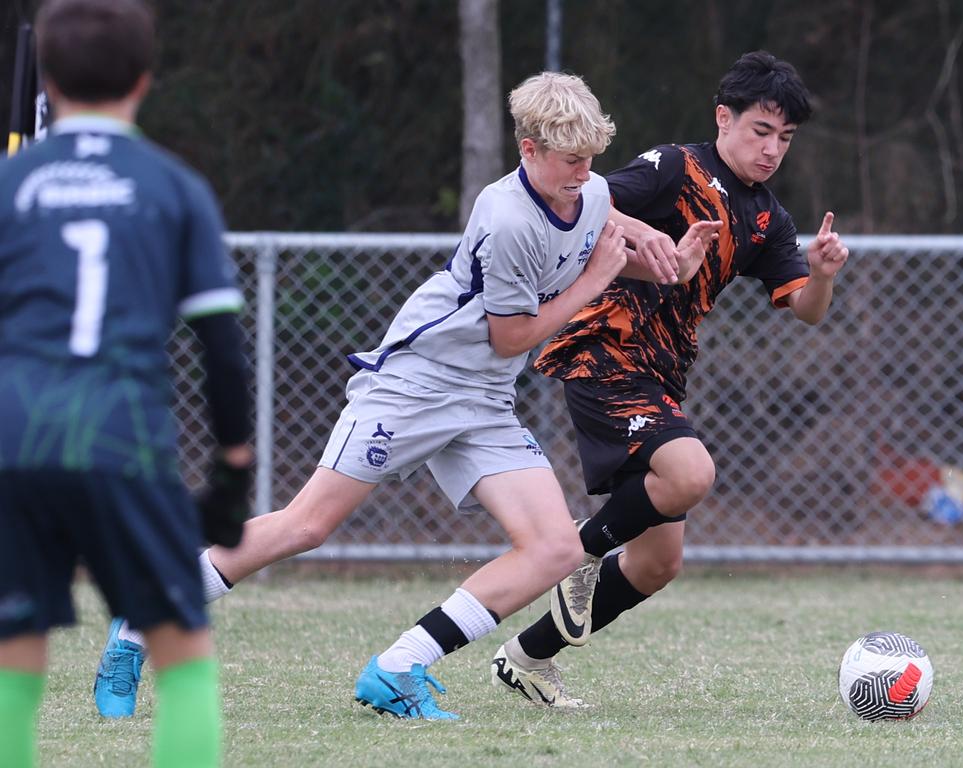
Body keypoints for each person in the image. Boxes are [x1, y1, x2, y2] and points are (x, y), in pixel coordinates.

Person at [92, 70, 716, 720]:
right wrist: (594, 284)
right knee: (307, 525)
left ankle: (397, 668)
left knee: (556, 547)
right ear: (528, 150)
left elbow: (606, 253)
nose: (583, 175)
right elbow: (513, 336)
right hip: (416, 385)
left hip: (481, 401)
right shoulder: (506, 217)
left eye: (590, 161)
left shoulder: (586, 194)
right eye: (569, 162)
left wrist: (676, 263)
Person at [489, 50, 851, 708]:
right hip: (606, 349)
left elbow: (806, 310)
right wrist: (645, 249)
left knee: (659, 563)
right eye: (760, 132)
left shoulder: (768, 218)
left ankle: (529, 657)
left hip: (662, 372)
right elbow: (579, 202)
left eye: (785, 139)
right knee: (691, 473)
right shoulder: (673, 168)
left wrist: (822, 275)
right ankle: (578, 550)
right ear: (724, 118)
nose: (772, 151)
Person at [0, 0, 253, 766]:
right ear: (144, 80)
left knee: (15, 654)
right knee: (181, 653)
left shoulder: (14, 180)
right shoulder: (171, 186)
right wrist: (231, 470)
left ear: (47, 80)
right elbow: (220, 348)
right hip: (124, 439)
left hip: (16, 438)